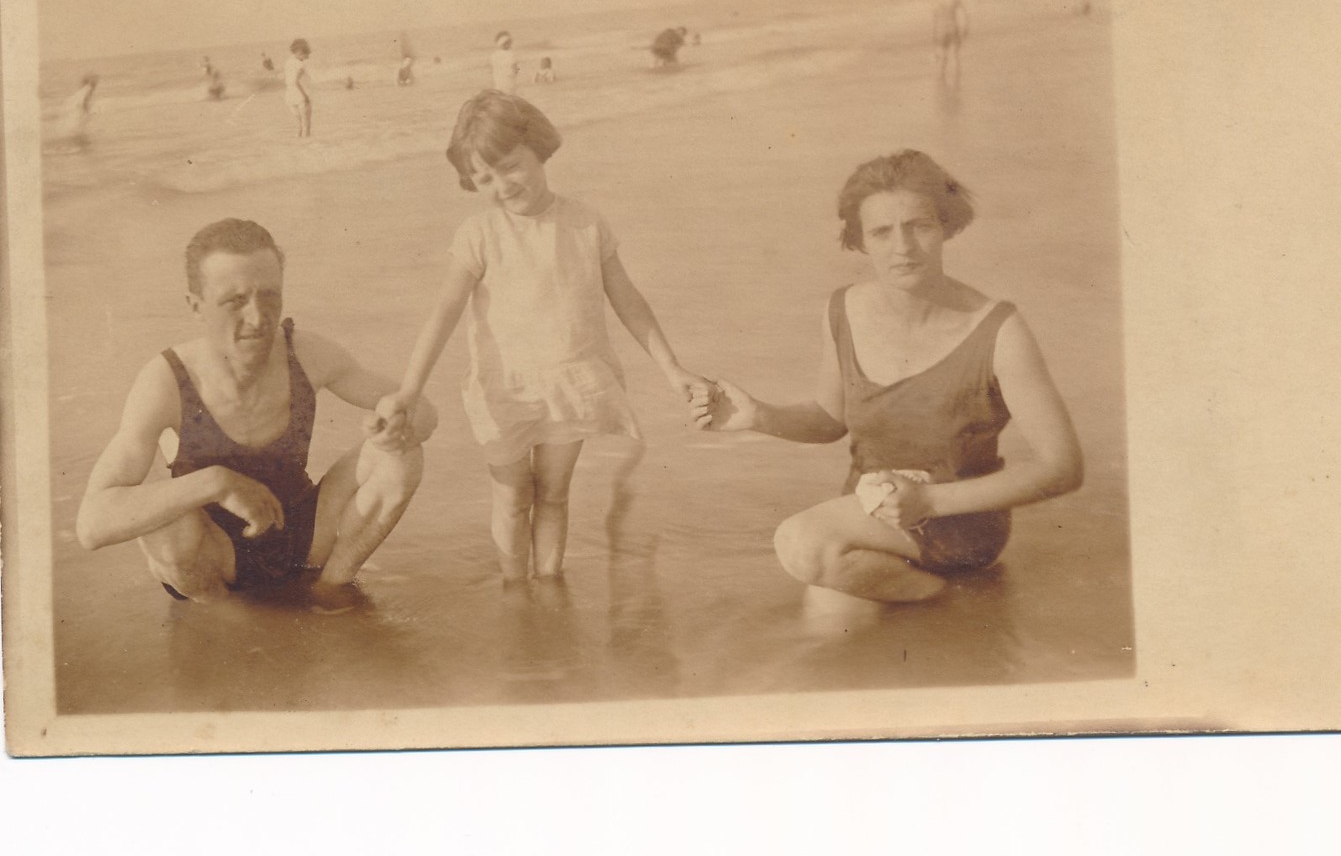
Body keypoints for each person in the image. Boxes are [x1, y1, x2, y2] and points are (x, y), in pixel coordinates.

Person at [691, 150, 1083, 603]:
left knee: (802, 543)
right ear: (859, 241)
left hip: (960, 528)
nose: (903, 248)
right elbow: (828, 420)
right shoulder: (843, 310)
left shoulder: (998, 330)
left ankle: (955, 607)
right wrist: (760, 416)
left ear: (946, 227)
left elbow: (1063, 468)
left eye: (920, 226)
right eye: (882, 232)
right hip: (871, 521)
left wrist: (930, 502)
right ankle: (960, 617)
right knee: (832, 638)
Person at [376, 90, 709, 582]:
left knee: (553, 494)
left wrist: (672, 368)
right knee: (513, 498)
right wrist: (409, 388)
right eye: (483, 178)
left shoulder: (586, 223)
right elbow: (443, 313)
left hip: (570, 383)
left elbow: (629, 302)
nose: (502, 185)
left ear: (538, 148)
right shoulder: (479, 234)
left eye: (511, 166)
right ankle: (515, 585)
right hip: (504, 389)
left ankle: (549, 584)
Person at [75, 219, 436, 610]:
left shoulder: (307, 354)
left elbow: (423, 413)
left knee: (402, 454)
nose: (258, 317)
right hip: (215, 557)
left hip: (302, 538)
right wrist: (217, 482)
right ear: (196, 306)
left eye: (269, 296)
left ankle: (331, 587)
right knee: (164, 519)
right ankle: (223, 614)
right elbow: (92, 525)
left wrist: (394, 424)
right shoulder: (168, 380)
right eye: (235, 301)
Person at [932, 0, 971, 88]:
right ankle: (957, 76)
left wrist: (934, 34)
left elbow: (935, 19)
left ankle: (941, 76)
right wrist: (966, 28)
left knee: (943, 55)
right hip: (953, 28)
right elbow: (965, 14)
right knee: (955, 55)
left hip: (942, 29)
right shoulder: (955, 0)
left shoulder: (937, 1)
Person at [284, 38, 312, 137]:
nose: (308, 55)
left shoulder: (288, 62)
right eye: (306, 53)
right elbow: (296, 82)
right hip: (299, 95)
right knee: (306, 126)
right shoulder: (301, 64)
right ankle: (307, 147)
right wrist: (305, 96)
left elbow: (289, 81)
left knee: (298, 127)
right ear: (301, 52)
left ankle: (298, 148)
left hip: (289, 95)